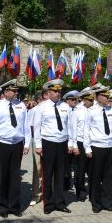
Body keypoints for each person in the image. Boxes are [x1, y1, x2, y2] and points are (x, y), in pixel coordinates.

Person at [0, 80, 30, 218]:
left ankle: (14, 206)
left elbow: (26, 126)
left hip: (17, 144)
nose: (16, 93)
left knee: (14, 176)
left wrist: (27, 143)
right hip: (1, 144)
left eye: (17, 91)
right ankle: (2, 206)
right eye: (13, 91)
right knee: (1, 175)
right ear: (5, 92)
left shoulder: (21, 106)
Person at [33, 79, 74, 214]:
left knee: (60, 174)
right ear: (48, 92)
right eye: (55, 91)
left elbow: (70, 126)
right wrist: (38, 145)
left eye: (59, 91)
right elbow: (37, 127)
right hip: (48, 143)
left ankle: (59, 202)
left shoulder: (66, 107)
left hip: (62, 143)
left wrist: (71, 143)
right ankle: (48, 204)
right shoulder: (42, 107)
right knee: (47, 174)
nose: (58, 93)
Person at [84, 86, 112, 213]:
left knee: (109, 176)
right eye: (105, 96)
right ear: (99, 98)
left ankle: (107, 202)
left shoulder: (111, 110)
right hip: (97, 147)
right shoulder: (91, 111)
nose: (108, 98)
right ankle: (96, 203)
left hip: (110, 146)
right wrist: (87, 148)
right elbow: (86, 130)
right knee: (96, 176)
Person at [73, 88, 94, 202]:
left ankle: (92, 191)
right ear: (84, 99)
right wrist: (75, 146)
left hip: (93, 142)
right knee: (81, 169)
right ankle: (80, 192)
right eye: (90, 100)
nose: (92, 102)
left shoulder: (94, 109)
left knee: (92, 169)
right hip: (80, 142)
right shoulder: (78, 111)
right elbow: (73, 129)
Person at [29, 89, 48, 206]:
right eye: (41, 99)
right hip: (37, 141)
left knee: (50, 168)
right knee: (38, 168)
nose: (43, 101)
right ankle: (36, 195)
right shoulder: (34, 110)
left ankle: (48, 193)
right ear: (37, 100)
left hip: (49, 141)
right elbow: (31, 127)